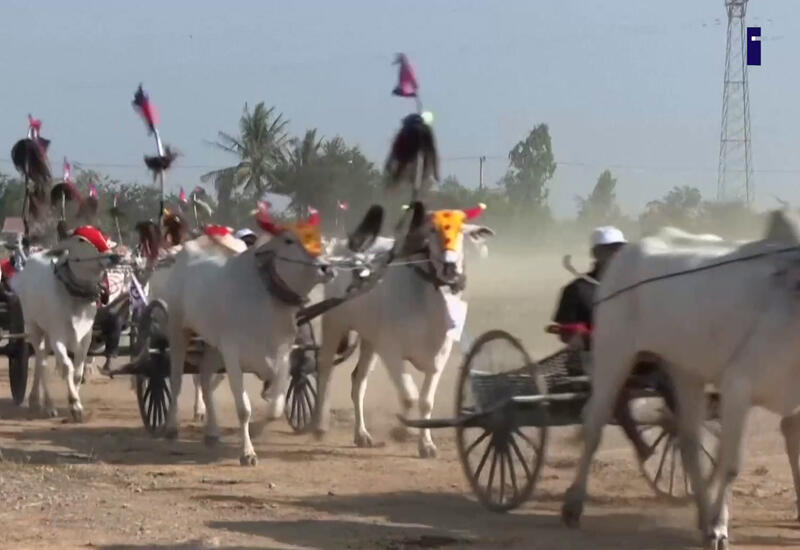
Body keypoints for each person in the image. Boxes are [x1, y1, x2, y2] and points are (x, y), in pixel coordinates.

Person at [552, 226, 653, 461]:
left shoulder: (634, 289)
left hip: (634, 355)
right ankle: (639, 443)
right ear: (597, 254)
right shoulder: (576, 290)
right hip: (591, 359)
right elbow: (566, 333)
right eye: (611, 250)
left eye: (621, 250)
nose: (618, 255)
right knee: (615, 386)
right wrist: (589, 336)